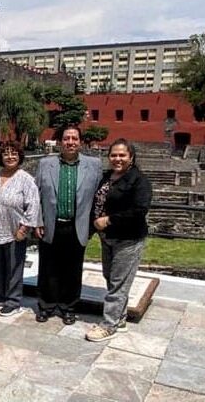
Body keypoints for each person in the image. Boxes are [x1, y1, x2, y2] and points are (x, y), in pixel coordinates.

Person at [34, 125, 101, 325]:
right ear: (60, 142)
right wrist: (37, 221)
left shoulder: (94, 165)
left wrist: (94, 226)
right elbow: (35, 195)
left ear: (80, 142)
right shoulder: (46, 164)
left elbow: (99, 196)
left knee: (72, 269)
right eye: (66, 138)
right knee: (47, 267)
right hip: (50, 224)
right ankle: (46, 305)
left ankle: (68, 307)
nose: (70, 142)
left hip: (77, 226)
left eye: (74, 138)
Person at [86, 138, 152, 342]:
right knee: (111, 277)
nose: (117, 159)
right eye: (114, 155)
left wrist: (109, 220)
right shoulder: (106, 177)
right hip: (107, 238)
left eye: (122, 155)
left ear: (131, 157)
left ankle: (108, 325)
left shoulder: (139, 180)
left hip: (128, 238)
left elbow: (140, 210)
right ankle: (119, 318)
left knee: (118, 283)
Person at [0, 141, 42, 317]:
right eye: (6, 153)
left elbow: (33, 205)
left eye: (14, 153)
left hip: (15, 230)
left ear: (19, 156)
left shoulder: (26, 179)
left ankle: (13, 301)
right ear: (1, 157)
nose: (10, 156)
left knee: (14, 267)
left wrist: (25, 227)